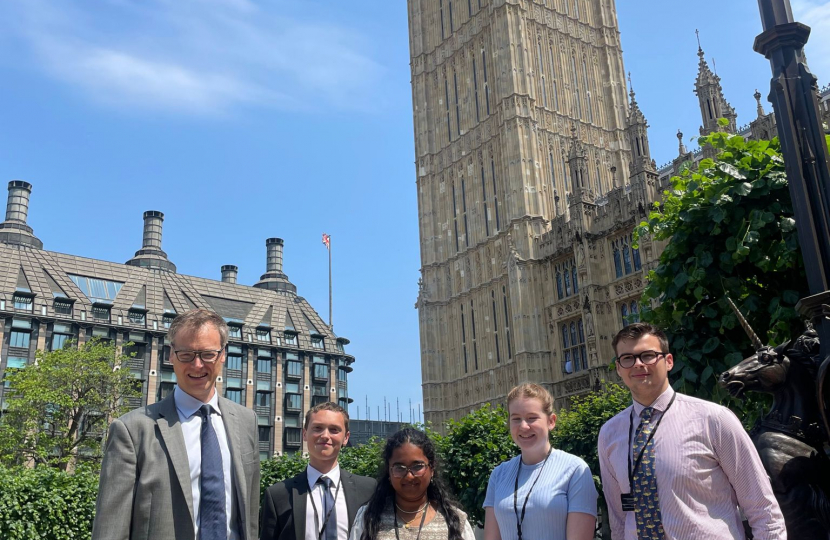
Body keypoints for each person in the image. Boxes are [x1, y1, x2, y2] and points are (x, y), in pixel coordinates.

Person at [598, 322, 786, 540]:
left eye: (648, 355)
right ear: (619, 368)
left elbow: (763, 508)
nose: (638, 364)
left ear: (668, 361)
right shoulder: (609, 434)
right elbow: (619, 519)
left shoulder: (713, 419)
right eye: (628, 358)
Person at [92, 309, 260, 540]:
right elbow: (110, 529)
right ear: (171, 355)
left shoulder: (246, 421)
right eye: (186, 355)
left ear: (223, 355)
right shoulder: (132, 430)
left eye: (208, 354)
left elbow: (249, 513)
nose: (198, 365)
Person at [484, 383, 597, 540]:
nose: (523, 426)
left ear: (551, 421)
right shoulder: (499, 474)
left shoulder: (574, 469)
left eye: (532, 418)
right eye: (516, 419)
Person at [261, 402, 376, 540]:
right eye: (317, 428)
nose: (325, 435)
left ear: (346, 438)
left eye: (334, 430)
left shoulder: (368, 489)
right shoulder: (278, 495)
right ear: (304, 434)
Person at [350, 427, 475, 540]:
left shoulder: (455, 520)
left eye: (417, 466)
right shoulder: (368, 518)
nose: (409, 476)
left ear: (432, 469)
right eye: (400, 467)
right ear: (389, 471)